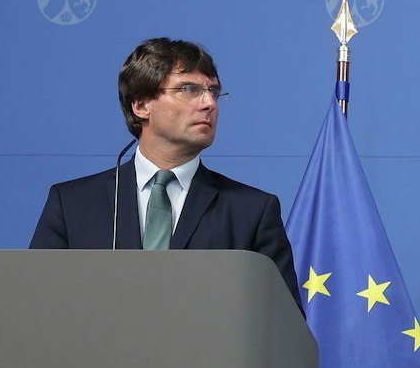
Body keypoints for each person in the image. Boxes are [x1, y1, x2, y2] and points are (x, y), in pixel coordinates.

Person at [30, 38, 301, 310]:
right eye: (189, 89)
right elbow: (34, 309)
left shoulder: (251, 211)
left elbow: (283, 328)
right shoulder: (72, 204)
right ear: (141, 105)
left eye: (213, 91)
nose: (209, 103)